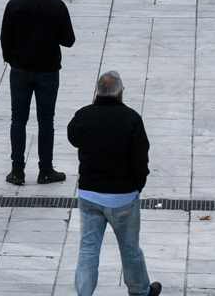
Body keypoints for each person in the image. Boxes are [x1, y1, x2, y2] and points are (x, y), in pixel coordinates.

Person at [66, 72, 162, 296]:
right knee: (130, 249)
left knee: (88, 249)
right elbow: (141, 158)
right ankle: (140, 291)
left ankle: (84, 293)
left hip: (90, 194)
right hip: (122, 196)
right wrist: (137, 185)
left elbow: (73, 138)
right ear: (120, 92)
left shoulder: (83, 115)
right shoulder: (131, 119)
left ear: (97, 92)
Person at [0, 0, 74, 187]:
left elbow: (5, 39)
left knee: (18, 119)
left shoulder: (14, 5)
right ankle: (45, 170)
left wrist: (12, 59)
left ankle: (17, 171)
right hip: (48, 72)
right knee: (46, 121)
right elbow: (68, 40)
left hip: (20, 70)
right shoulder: (57, 6)